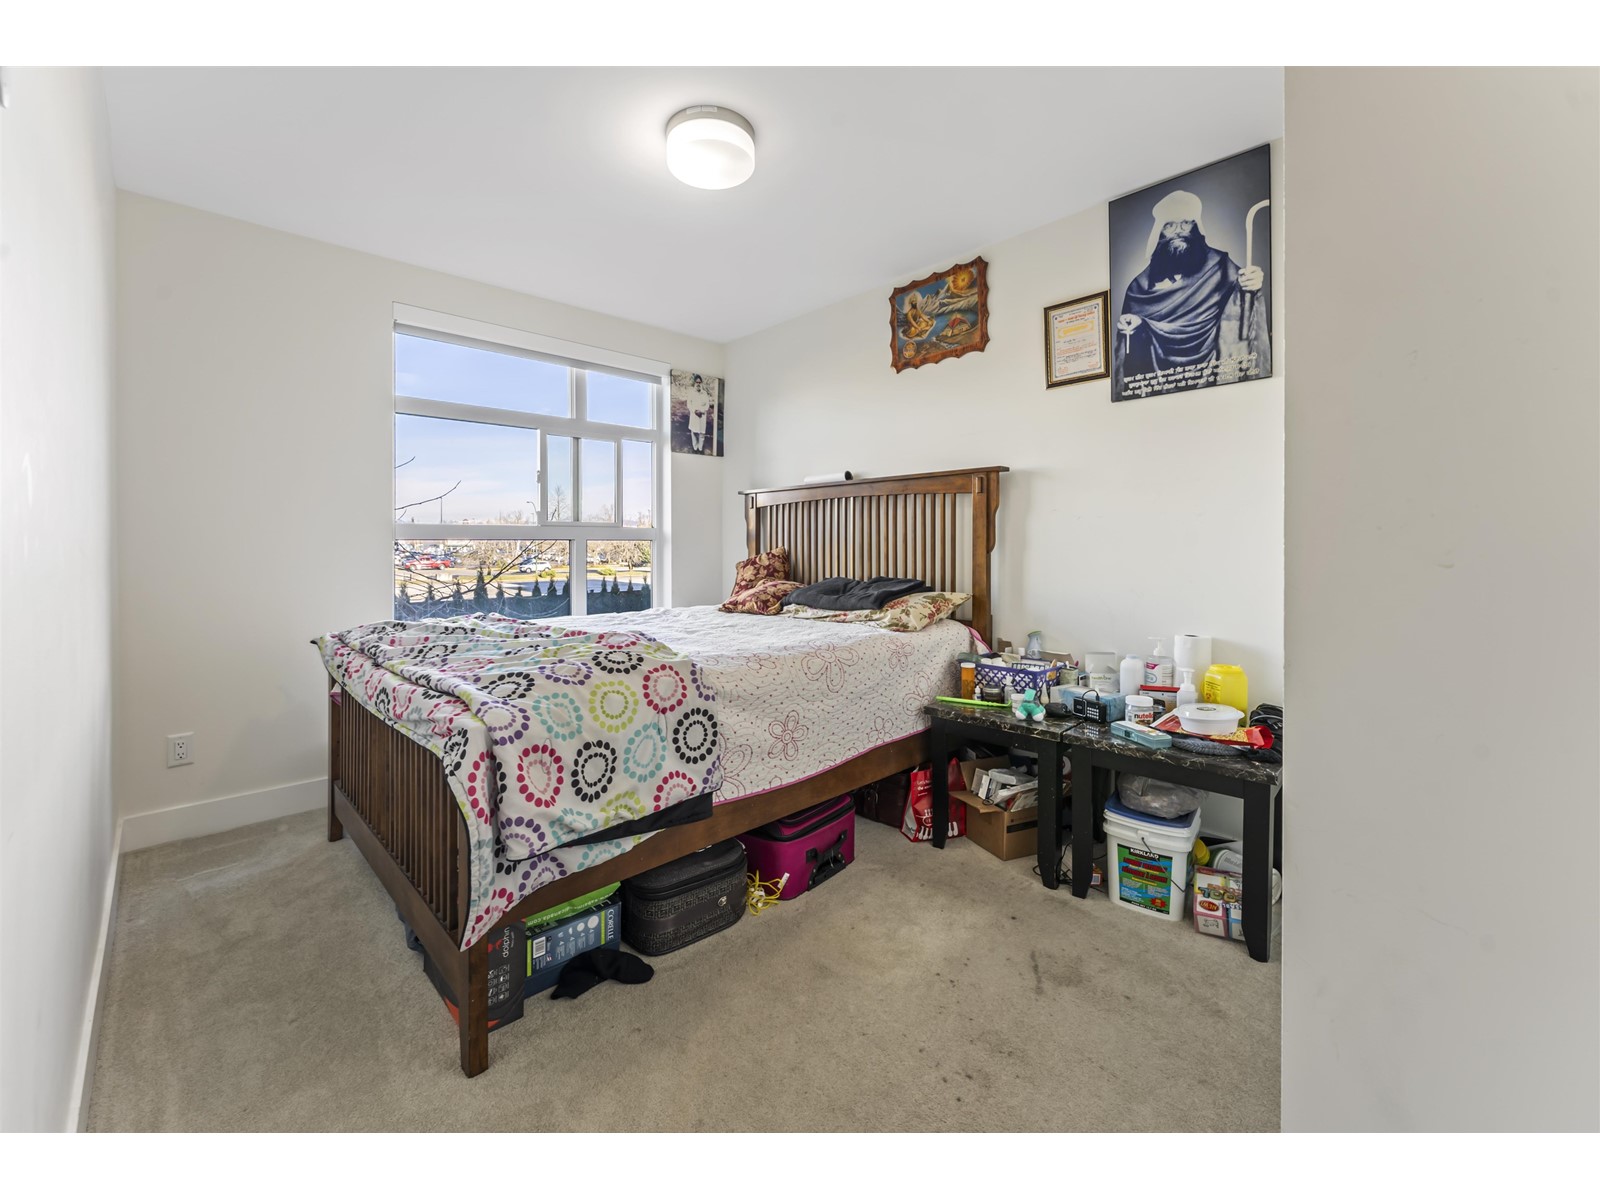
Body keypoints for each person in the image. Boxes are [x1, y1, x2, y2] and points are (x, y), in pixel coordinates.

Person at [1112, 189, 1269, 399]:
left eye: (1185, 223)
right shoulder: (1138, 287)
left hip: (1216, 384)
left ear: (1196, 226)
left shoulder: (1220, 266)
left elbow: (1243, 298)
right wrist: (1136, 325)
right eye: (1170, 225)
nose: (1178, 231)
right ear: (1160, 232)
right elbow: (1130, 354)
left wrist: (1252, 283)